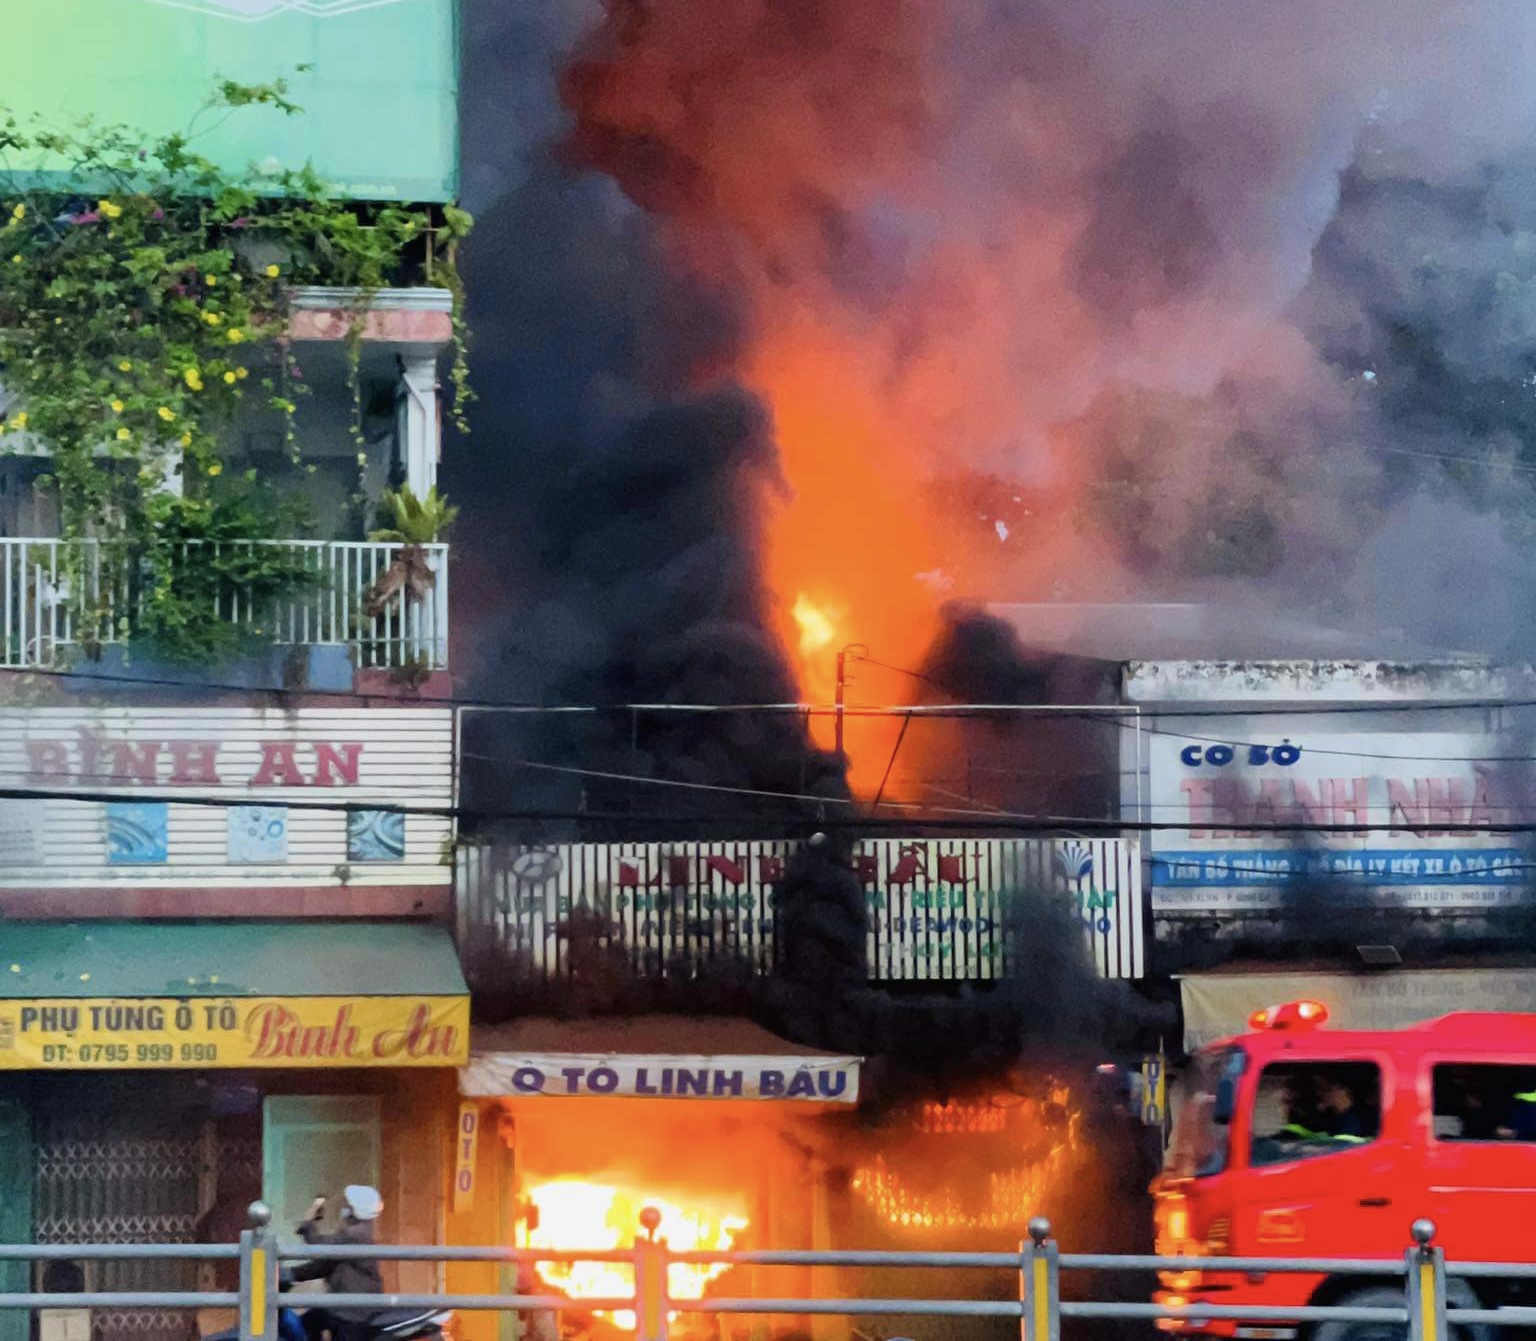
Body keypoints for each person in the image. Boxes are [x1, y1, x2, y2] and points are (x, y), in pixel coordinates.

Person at [292, 1186, 386, 1341]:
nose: (344, 1208)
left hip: (353, 1313)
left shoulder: (355, 1235)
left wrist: (310, 1218)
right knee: (312, 1318)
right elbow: (326, 1264)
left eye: (347, 1204)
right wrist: (292, 1273)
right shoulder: (358, 1234)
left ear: (355, 1209)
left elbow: (319, 1247)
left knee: (314, 1320)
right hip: (348, 1308)